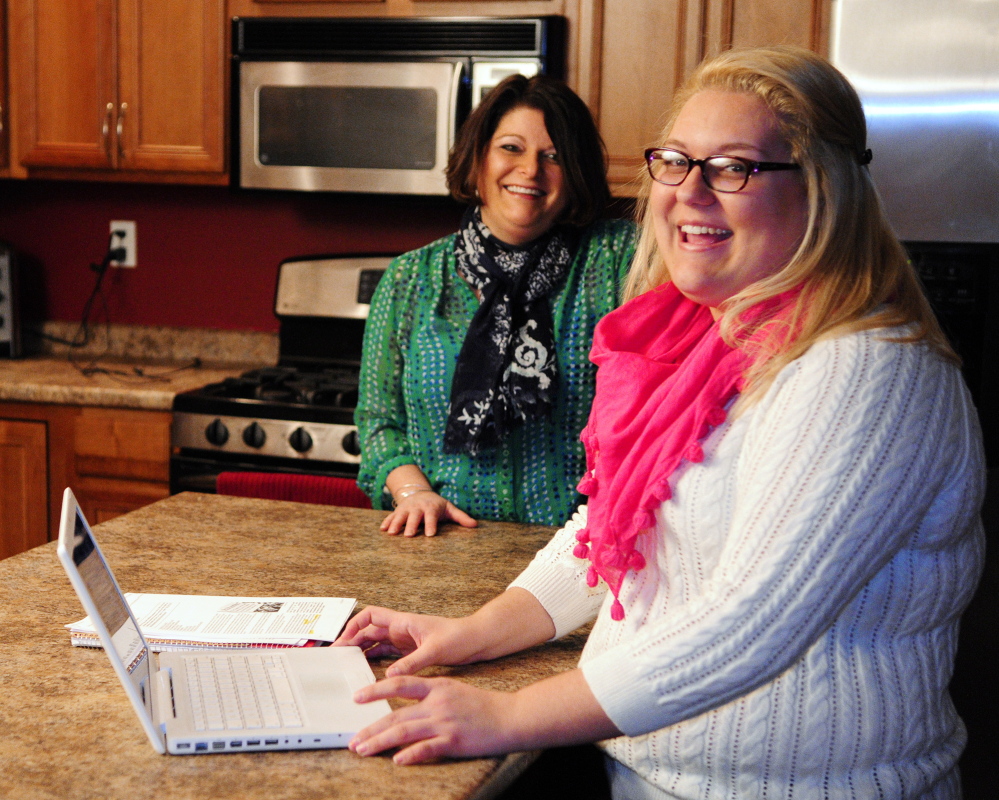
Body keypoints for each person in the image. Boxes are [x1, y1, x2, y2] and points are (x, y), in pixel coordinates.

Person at [335, 45, 986, 799]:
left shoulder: (863, 368)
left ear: (822, 189)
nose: (691, 192)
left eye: (733, 167)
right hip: (662, 776)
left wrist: (507, 716)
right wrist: (470, 634)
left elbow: (748, 624)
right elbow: (615, 530)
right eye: (675, 161)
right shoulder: (706, 341)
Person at [355, 74, 636, 536]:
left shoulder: (618, 261)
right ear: (478, 159)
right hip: (441, 541)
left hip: (578, 553)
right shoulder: (410, 279)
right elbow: (378, 422)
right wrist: (413, 493)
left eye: (554, 156)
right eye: (511, 148)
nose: (530, 170)